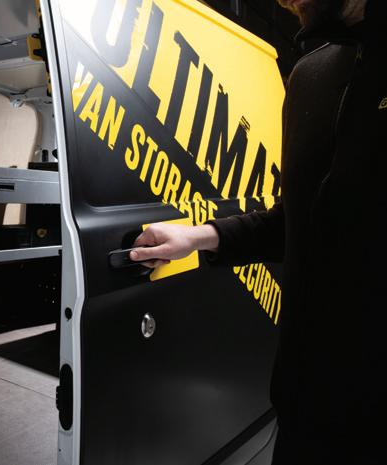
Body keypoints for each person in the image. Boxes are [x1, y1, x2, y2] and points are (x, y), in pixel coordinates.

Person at [129, 0, 386, 463]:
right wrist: (199, 237)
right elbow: (295, 221)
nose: (284, 2)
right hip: (302, 401)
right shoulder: (310, 77)